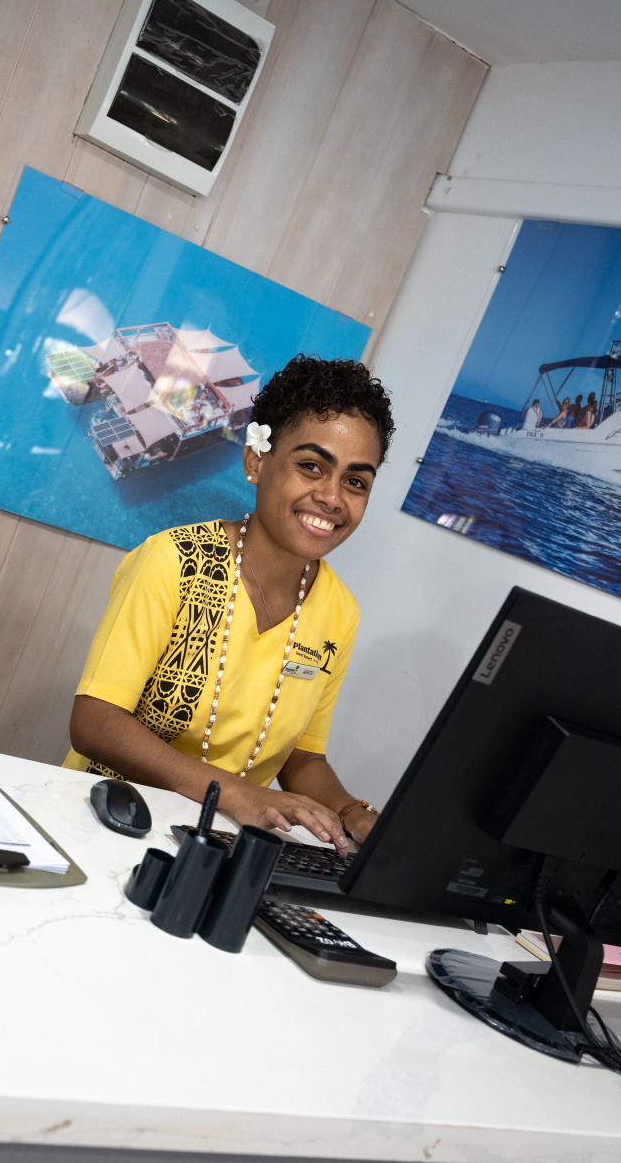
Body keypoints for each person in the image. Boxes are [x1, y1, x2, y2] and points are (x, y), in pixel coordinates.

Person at [66, 357, 392, 852]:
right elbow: (95, 721)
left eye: (355, 481)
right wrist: (235, 795)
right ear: (256, 462)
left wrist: (352, 814)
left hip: (214, 844)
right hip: (106, 817)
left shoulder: (339, 612)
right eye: (311, 466)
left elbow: (301, 759)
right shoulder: (172, 561)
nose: (331, 496)